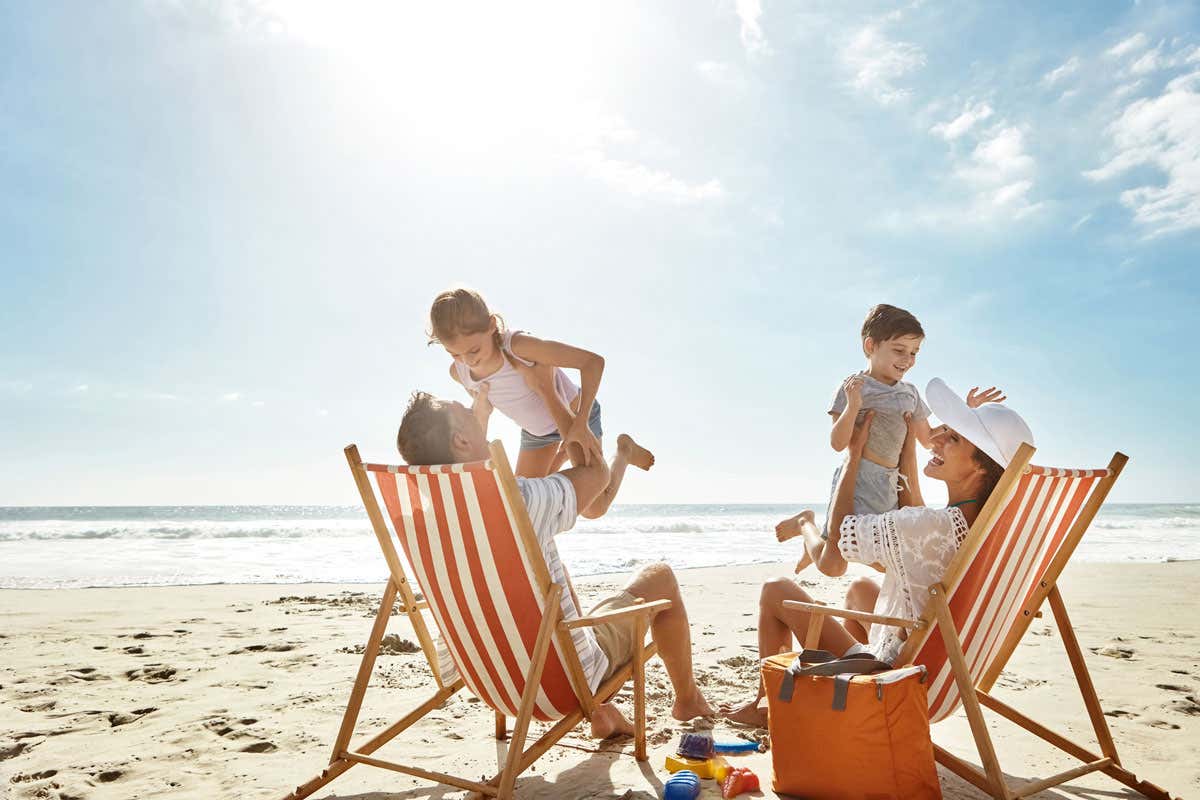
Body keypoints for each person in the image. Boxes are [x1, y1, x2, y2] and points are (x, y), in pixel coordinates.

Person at [396, 386, 715, 740]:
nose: (479, 416)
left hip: (485, 678)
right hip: (560, 683)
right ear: (460, 441)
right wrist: (563, 413)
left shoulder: (421, 522)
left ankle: (602, 715)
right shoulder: (518, 500)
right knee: (661, 577)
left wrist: (482, 416)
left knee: (550, 571)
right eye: (470, 414)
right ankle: (687, 701)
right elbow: (597, 475)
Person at [721, 378, 1033, 726]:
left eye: (954, 438)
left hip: (896, 681)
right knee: (861, 590)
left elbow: (840, 539)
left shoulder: (928, 527)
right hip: (951, 676)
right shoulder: (991, 528)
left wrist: (853, 457)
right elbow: (916, 511)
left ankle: (767, 705)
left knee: (775, 589)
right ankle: (830, 684)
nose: (938, 438)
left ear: (980, 466)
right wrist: (910, 450)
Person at [780, 303, 1004, 571]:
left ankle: (819, 543)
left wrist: (964, 416)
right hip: (858, 480)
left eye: (914, 353)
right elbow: (838, 443)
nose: (908, 360)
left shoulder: (910, 393)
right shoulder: (853, 387)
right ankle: (806, 525)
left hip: (891, 485)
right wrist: (852, 406)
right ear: (870, 346)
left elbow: (928, 439)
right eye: (899, 350)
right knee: (833, 566)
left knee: (889, 563)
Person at [427, 287, 654, 517]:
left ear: (492, 325)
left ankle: (623, 453)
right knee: (522, 508)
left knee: (593, 509)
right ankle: (560, 455)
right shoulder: (460, 373)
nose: (468, 360)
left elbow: (593, 363)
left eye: (474, 349)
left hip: (574, 416)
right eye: (454, 354)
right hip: (538, 434)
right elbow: (486, 406)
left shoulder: (518, 347)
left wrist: (581, 422)